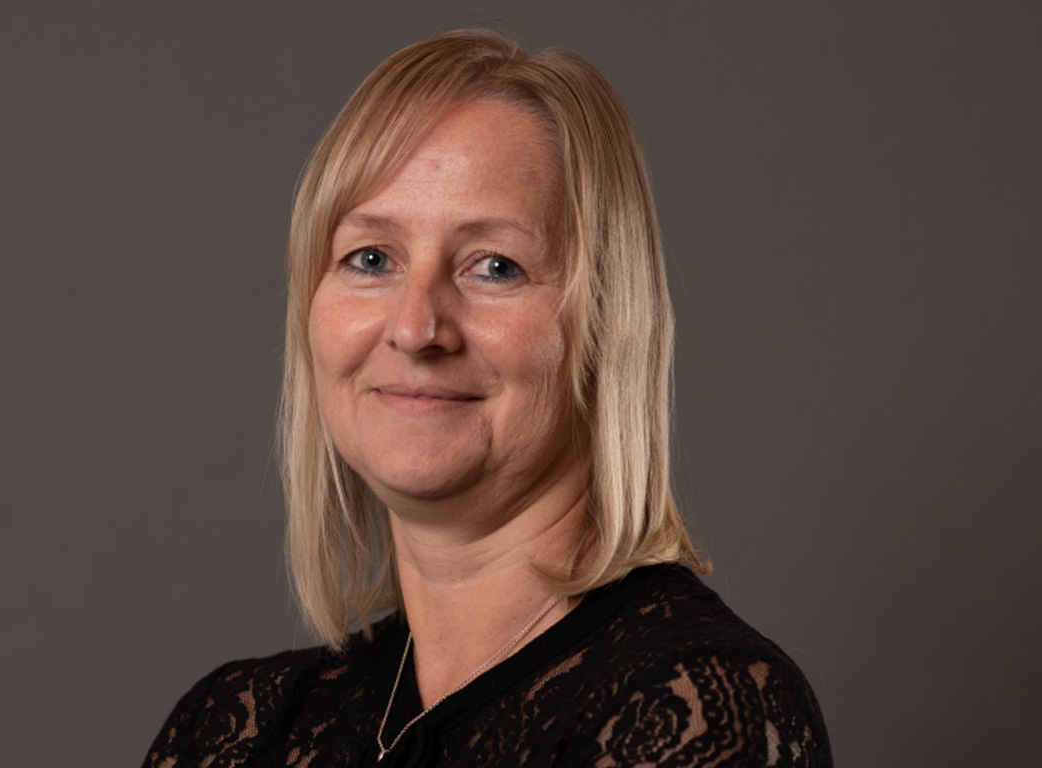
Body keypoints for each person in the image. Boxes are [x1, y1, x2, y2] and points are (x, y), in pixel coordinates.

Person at [142, 29, 832, 768]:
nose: (415, 328)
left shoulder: (694, 708)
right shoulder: (235, 730)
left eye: (495, 266)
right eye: (370, 258)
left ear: (605, 321)